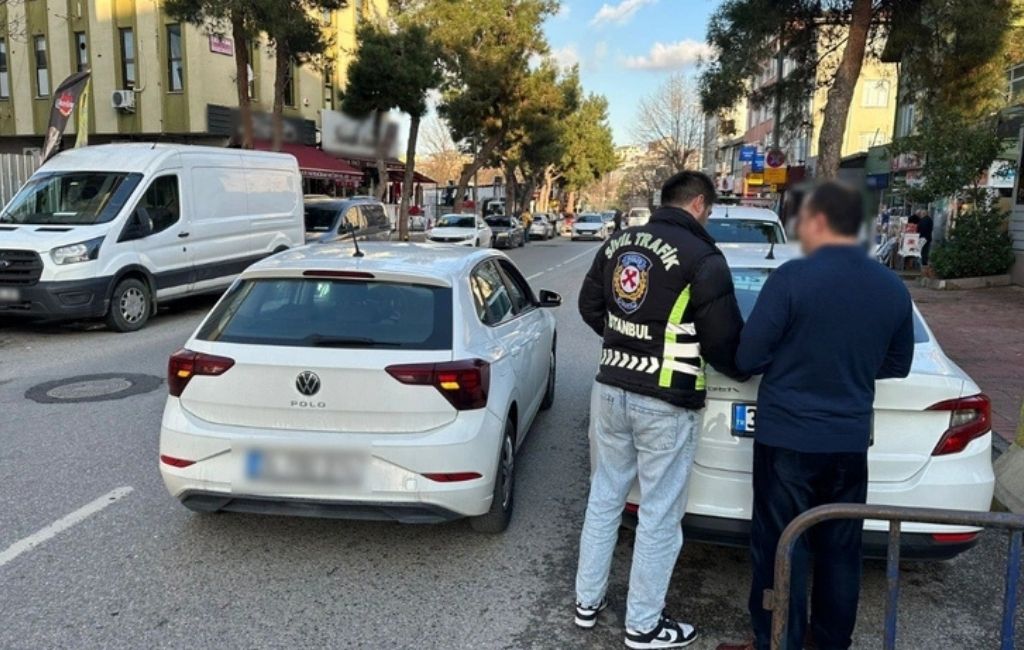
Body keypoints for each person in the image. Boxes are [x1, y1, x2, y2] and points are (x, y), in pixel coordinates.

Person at [716, 182, 915, 650]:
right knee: (840, 551)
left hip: (787, 440)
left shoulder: (791, 279)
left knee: (782, 548)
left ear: (821, 222)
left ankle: (778, 640)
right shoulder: (891, 286)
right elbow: (898, 363)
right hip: (848, 442)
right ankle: (829, 643)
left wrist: (791, 361)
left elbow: (748, 357)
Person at [575, 171, 748, 649]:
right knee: (658, 516)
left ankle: (587, 603)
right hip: (666, 401)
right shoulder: (704, 258)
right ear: (698, 206)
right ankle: (644, 626)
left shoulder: (618, 243)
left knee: (605, 497)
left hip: (610, 389)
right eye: (709, 211)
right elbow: (726, 344)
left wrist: (625, 343)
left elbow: (589, 306)